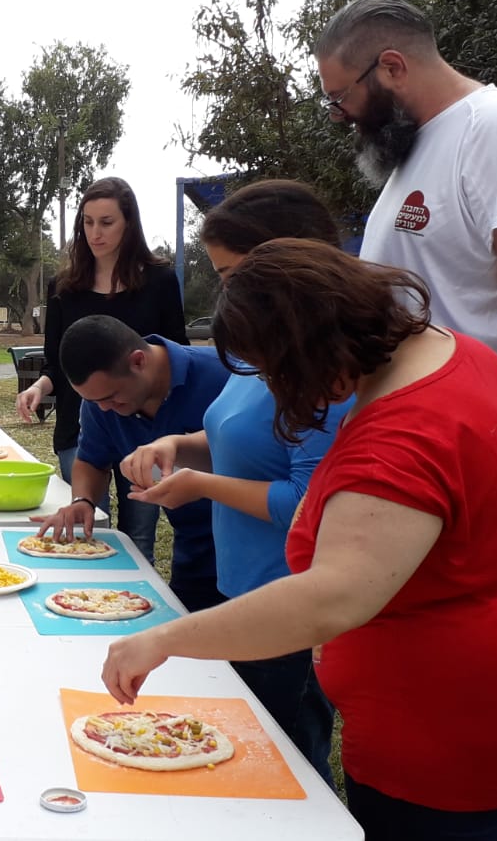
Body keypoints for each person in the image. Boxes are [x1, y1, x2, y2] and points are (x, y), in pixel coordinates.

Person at [101, 239, 497, 841]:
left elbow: (330, 599)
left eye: (273, 368)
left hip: (460, 726)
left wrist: (165, 638)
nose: (273, 386)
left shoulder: (401, 434)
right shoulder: (454, 351)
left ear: (312, 346)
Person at [119, 179, 349, 786]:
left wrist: (201, 484)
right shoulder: (261, 353)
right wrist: (179, 443)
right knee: (241, 758)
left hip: (287, 601)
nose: (226, 296)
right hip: (239, 585)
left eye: (228, 276)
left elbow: (308, 506)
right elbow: (238, 438)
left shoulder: (324, 372)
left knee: (288, 767)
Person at [315, 0, 497, 516]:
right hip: (419, 452)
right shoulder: (416, 153)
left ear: (391, 67)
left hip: (480, 459)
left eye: (340, 96)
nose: (339, 116)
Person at [15, 177, 187, 560]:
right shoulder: (64, 286)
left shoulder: (159, 281)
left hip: (142, 429)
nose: (95, 232)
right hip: (79, 424)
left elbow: (176, 354)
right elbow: (57, 363)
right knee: (82, 526)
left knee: (137, 538)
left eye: (106, 222)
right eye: (87, 222)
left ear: (129, 222)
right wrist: (40, 388)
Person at [30, 315, 228, 618]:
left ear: (138, 361)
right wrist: (83, 500)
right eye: (93, 401)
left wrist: (184, 449)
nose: (105, 408)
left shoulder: (225, 373)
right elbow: (91, 460)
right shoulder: (100, 402)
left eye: (111, 397)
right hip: (193, 552)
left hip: (257, 553)